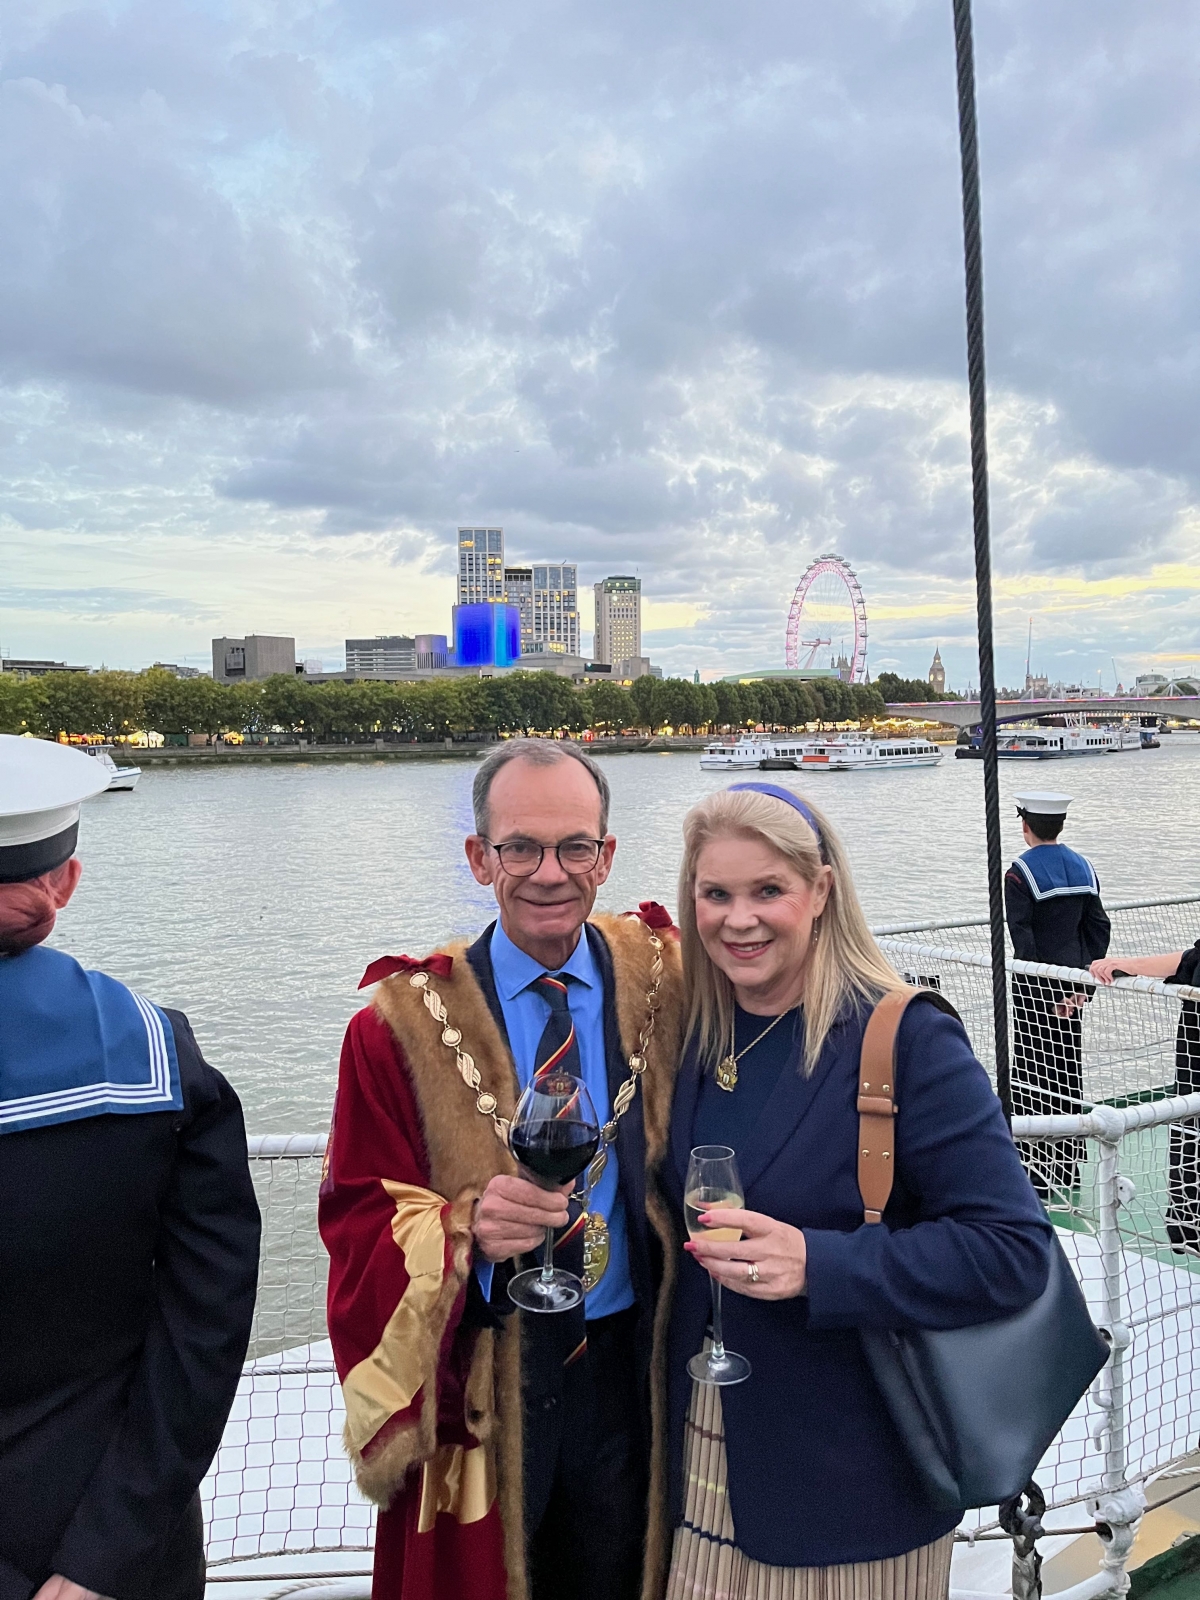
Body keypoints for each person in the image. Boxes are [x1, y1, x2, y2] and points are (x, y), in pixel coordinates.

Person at [662, 783, 1052, 1600]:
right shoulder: (696, 1031)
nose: (740, 920)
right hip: (706, 1463)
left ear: (822, 891)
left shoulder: (905, 1038)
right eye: (716, 894)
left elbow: (1013, 1251)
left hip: (852, 1488)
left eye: (768, 890)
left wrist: (822, 1264)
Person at [318, 739, 686, 1600]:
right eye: (520, 847)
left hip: (638, 1372)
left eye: (574, 847)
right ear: (479, 857)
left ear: (608, 855)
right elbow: (354, 1223)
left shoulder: (669, 985)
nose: (549, 873)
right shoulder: (398, 1029)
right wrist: (462, 1237)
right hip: (487, 1384)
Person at [0, 734, 261, 1600]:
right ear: (64, 884)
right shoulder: (160, 1060)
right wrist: (104, 1553)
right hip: (108, 1533)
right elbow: (204, 1329)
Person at [1004, 791, 1111, 1197]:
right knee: (1067, 1069)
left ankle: (1034, 1169)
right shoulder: (1084, 867)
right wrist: (1083, 988)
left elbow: (1023, 938)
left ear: (1025, 825)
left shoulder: (1019, 873)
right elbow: (1098, 929)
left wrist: (1041, 990)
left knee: (1032, 1069)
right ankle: (1067, 1166)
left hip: (1035, 988)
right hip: (1075, 985)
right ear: (1060, 825)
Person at [1092, 940, 1200, 1251]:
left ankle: (1187, 1223)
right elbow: (1188, 960)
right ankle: (1187, 1223)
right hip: (1192, 1077)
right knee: (1188, 1133)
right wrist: (1126, 964)